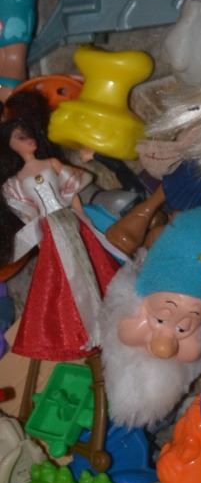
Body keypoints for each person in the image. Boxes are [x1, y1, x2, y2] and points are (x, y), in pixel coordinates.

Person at [0, 99, 119, 362]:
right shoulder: (14, 183)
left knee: (94, 265)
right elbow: (28, 212)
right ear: (9, 145)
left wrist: (81, 215)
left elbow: (70, 191)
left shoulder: (51, 163)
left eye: (28, 134)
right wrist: (40, 239)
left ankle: (109, 318)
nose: (28, 140)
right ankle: (83, 330)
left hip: (70, 219)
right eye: (20, 137)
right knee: (65, 278)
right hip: (50, 228)